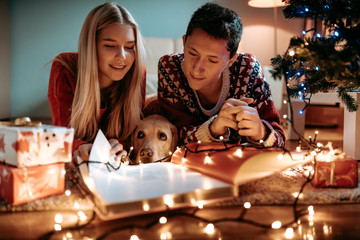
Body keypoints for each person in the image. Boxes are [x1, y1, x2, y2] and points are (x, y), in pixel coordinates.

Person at [155, 2, 285, 147]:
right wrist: (213, 129)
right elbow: (174, 137)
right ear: (184, 42)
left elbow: (279, 138)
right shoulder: (169, 68)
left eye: (212, 60)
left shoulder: (248, 69)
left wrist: (261, 132)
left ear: (231, 60)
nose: (197, 68)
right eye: (192, 53)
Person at [48, 2, 146, 162]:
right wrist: (79, 147)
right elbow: (62, 135)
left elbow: (131, 135)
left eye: (129, 47)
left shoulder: (137, 72)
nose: (122, 57)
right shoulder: (64, 67)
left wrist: (119, 145)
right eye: (110, 45)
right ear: (91, 46)